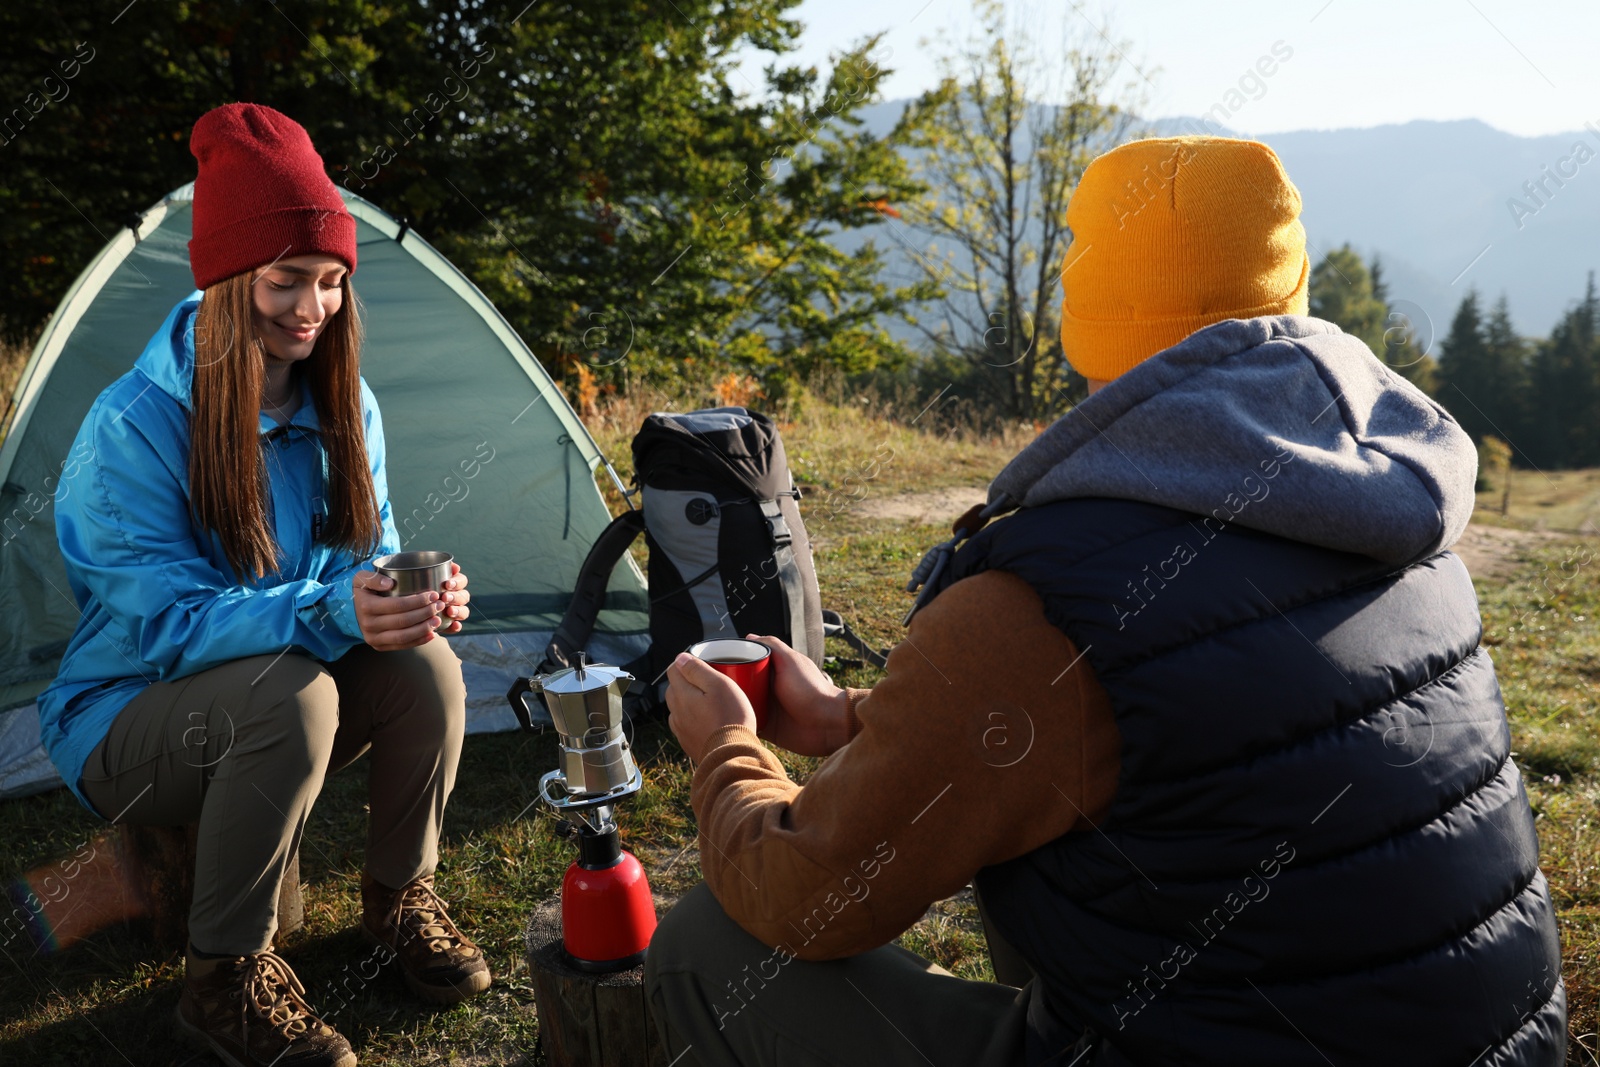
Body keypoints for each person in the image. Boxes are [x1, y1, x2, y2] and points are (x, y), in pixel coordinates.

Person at [647, 135, 1567, 1065]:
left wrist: (726, 749)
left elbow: (809, 897)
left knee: (698, 949)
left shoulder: (1046, 593)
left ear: (1087, 312)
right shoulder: (1394, 518)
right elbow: (1192, 723)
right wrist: (858, 718)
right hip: (1501, 1045)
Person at [36, 103, 490, 1067]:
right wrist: (333, 609)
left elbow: (371, 555)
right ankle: (224, 984)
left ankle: (400, 897)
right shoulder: (134, 426)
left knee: (430, 672)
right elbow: (163, 625)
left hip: (275, 683)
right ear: (228, 277)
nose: (312, 308)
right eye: (287, 280)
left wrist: (411, 599)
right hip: (125, 712)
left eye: (331, 281)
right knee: (294, 699)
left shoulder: (341, 396)